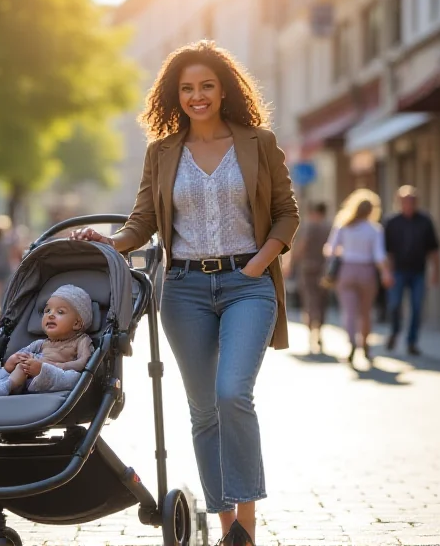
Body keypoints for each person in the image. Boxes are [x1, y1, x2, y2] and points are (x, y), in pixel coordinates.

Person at [71, 40, 299, 546]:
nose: (197, 96)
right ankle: (226, 531)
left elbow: (287, 212)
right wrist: (110, 242)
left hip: (248, 284)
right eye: (187, 88)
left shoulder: (258, 142)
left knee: (231, 393)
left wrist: (259, 263)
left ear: (224, 90)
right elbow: (143, 221)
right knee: (203, 411)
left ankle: (248, 527)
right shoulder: (163, 152)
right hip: (185, 289)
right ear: (175, 95)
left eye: (207, 86)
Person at [0, 284, 93, 398]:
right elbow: (22, 353)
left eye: (60, 312)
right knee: (22, 365)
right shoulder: (41, 343)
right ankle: (3, 387)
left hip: (58, 378)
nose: (51, 315)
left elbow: (84, 363)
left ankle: (6, 386)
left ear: (76, 323)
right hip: (28, 380)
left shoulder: (81, 340)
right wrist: (12, 362)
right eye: (47, 311)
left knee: (76, 378)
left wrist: (51, 367)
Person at [324, 190, 393, 364]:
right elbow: (379, 256)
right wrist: (385, 273)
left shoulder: (343, 226)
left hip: (346, 271)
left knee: (349, 312)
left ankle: (352, 343)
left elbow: (330, 250)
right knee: (365, 312)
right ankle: (366, 346)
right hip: (367, 272)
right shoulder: (375, 229)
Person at [384, 185, 440, 356]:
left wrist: (436, 272)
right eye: (405, 201)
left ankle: (411, 342)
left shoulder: (425, 221)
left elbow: (434, 250)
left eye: (412, 201)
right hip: (397, 271)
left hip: (418, 272)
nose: (409, 204)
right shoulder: (391, 222)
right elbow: (386, 251)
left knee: (417, 307)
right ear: (399, 202)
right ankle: (394, 332)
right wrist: (387, 272)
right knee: (395, 305)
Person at [291, 202, 332, 353]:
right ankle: (319, 332)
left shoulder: (308, 227)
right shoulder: (329, 227)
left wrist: (291, 263)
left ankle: (311, 333)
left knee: (309, 301)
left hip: (307, 268)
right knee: (322, 302)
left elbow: (301, 246)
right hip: (324, 270)